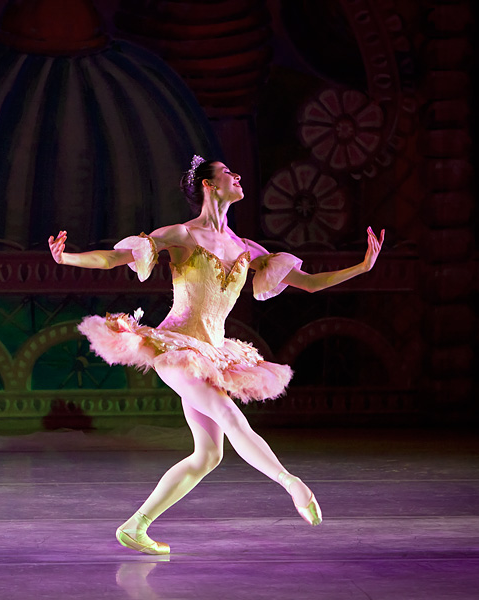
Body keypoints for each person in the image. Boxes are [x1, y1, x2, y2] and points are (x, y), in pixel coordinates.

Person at [48, 155, 384, 555]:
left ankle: (135, 526)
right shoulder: (182, 235)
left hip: (214, 352)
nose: (237, 175)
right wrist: (66, 257)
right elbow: (113, 258)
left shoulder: (247, 248)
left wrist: (362, 267)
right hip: (176, 348)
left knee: (208, 455)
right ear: (208, 185)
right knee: (228, 414)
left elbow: (309, 283)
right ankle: (291, 483)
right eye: (227, 172)